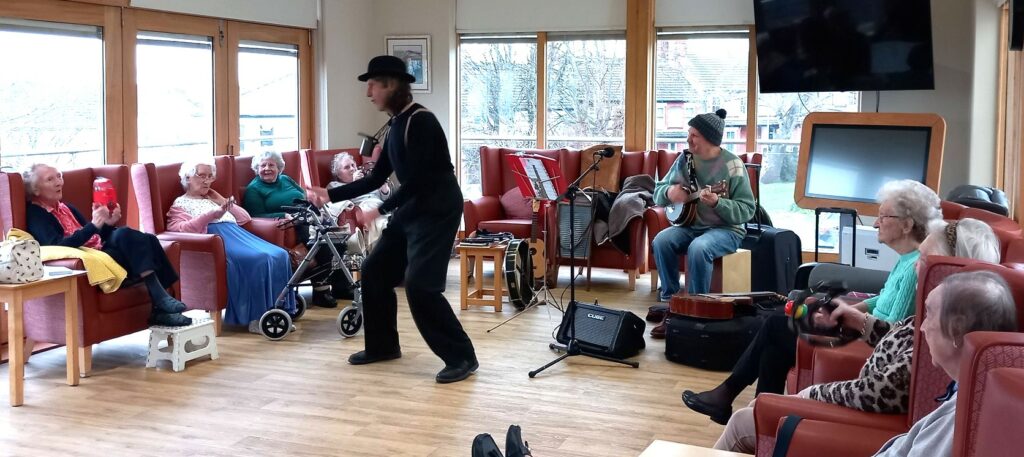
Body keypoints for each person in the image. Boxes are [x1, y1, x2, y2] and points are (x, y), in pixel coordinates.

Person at [708, 219, 1002, 453]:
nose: (916, 265)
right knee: (766, 369)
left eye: (925, 260)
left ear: (949, 269)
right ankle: (729, 395)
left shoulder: (943, 325)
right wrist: (860, 321)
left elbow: (879, 391)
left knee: (745, 417)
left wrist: (812, 393)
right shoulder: (941, 314)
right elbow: (901, 337)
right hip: (864, 398)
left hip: (868, 415)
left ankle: (728, 395)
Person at [683, 179, 942, 424]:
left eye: (884, 216)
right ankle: (758, 413)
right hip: (865, 332)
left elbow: (890, 330)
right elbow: (883, 299)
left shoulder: (913, 269)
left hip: (871, 345)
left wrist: (848, 318)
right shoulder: (907, 259)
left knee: (775, 326)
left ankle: (732, 397)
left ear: (907, 225)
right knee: (774, 345)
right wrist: (851, 308)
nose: (876, 224)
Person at [305, 55, 477, 384]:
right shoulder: (396, 123)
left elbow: (420, 181)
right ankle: (383, 346)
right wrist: (330, 195)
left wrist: (379, 210)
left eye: (372, 85)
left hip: (437, 211)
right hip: (413, 208)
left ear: (391, 85)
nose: (368, 93)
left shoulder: (421, 122)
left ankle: (462, 357)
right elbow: (375, 178)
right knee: (374, 271)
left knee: (421, 286)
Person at [23, 164, 191, 326]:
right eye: (50, 179)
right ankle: (161, 302)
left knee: (148, 239)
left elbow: (95, 235)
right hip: (91, 261)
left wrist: (108, 223)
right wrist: (94, 225)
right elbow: (58, 245)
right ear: (36, 189)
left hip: (100, 251)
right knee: (125, 235)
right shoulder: (36, 213)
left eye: (59, 176)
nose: (58, 182)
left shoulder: (67, 207)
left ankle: (161, 306)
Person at [871, 271, 1017, 457]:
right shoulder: (972, 393)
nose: (922, 327)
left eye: (929, 314)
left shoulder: (959, 417)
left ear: (956, 330)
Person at [168, 160, 295, 332]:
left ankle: (277, 313)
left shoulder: (212, 198)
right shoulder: (180, 204)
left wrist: (221, 201)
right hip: (217, 241)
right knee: (259, 259)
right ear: (187, 178)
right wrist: (211, 214)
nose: (206, 181)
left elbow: (245, 219)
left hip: (238, 235)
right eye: (201, 176)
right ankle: (256, 318)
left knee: (280, 254)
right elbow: (179, 229)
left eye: (210, 176)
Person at [651, 109, 756, 299]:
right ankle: (670, 301)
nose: (688, 140)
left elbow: (747, 210)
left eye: (694, 136)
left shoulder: (733, 165)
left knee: (699, 247)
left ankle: (696, 304)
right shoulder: (685, 159)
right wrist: (668, 192)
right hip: (690, 226)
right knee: (661, 241)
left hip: (727, 231)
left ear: (709, 139)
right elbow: (658, 191)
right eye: (688, 134)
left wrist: (718, 203)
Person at [241, 150, 352, 307]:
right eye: (263, 165)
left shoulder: (285, 179)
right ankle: (321, 291)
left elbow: (303, 194)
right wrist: (284, 215)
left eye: (271, 165)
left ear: (279, 167)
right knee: (323, 244)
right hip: (291, 223)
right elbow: (255, 215)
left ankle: (341, 287)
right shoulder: (254, 189)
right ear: (257, 169)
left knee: (339, 241)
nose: (267, 168)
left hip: (308, 215)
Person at [322, 152, 391, 252]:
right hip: (365, 208)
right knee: (380, 221)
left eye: (353, 165)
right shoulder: (334, 186)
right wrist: (355, 184)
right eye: (346, 167)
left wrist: (384, 189)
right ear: (338, 174)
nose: (352, 169)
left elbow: (384, 197)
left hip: (381, 205)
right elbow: (342, 204)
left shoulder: (367, 180)